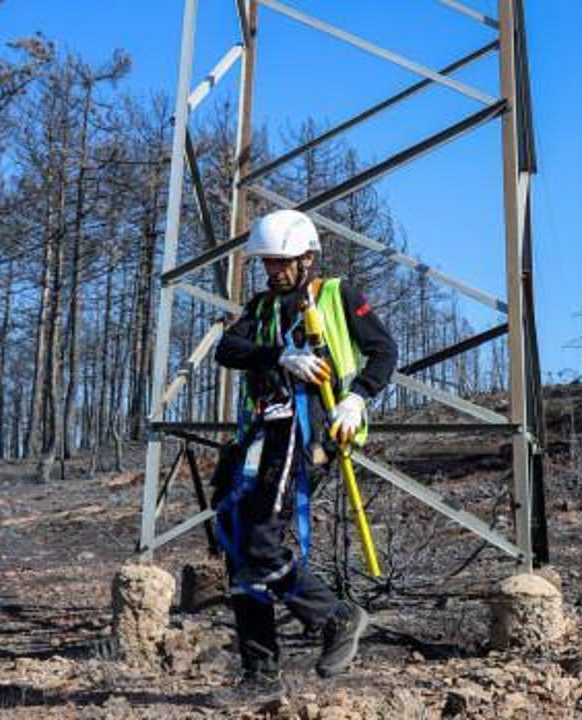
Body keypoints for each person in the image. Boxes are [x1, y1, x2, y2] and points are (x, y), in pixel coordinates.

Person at [208, 209, 398, 705]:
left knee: (260, 541)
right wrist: (278, 355)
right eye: (268, 262)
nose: (273, 270)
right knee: (237, 544)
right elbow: (228, 349)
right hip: (262, 433)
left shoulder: (338, 295)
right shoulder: (262, 307)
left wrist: (358, 398)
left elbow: (384, 351)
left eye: (282, 262)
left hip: (310, 431)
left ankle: (335, 616)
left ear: (307, 258)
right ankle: (260, 675)